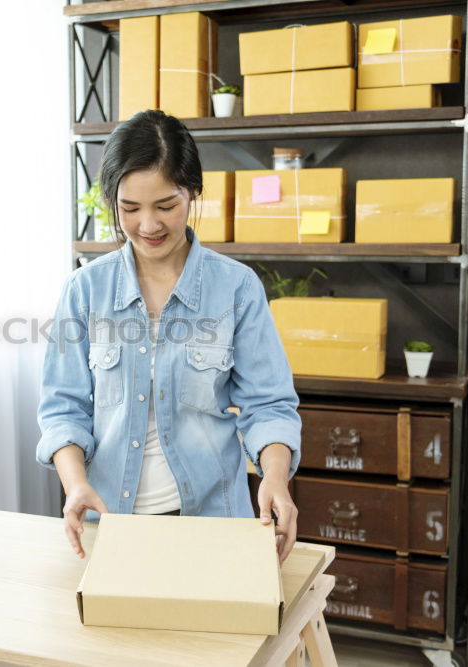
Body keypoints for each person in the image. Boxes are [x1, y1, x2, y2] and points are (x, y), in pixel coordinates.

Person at [35, 109, 302, 564]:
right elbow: (63, 407)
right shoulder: (84, 290)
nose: (148, 225)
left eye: (165, 206)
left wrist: (275, 477)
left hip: (213, 522)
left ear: (192, 191)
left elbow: (269, 405)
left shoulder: (236, 288)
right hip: (113, 521)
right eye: (130, 208)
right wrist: (75, 483)